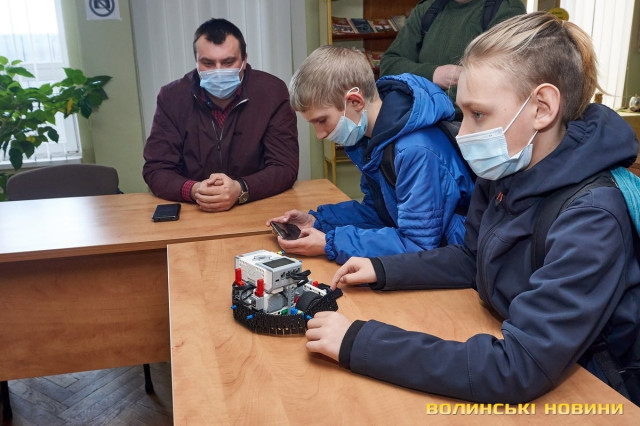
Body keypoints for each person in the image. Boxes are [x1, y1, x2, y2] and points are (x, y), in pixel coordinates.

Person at [305, 12, 640, 404]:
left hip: (599, 392)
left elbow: (517, 367)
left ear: (543, 108)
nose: (463, 134)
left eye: (478, 114)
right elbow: (472, 258)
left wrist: (360, 342)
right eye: (462, 113)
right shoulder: (506, 171)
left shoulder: (592, 217)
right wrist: (382, 268)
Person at [266, 45, 474, 265]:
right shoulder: (373, 140)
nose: (320, 134)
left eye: (322, 120)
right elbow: (380, 213)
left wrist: (330, 243)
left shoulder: (415, 150)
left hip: (453, 260)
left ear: (355, 101)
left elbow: (418, 245)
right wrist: (317, 221)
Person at [143, 18, 298, 212]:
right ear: (196, 62)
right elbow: (156, 169)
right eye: (208, 63)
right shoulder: (172, 97)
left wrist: (241, 188)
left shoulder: (272, 92)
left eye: (228, 62)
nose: (218, 71)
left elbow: (284, 167)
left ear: (244, 60)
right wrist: (194, 190)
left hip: (256, 207)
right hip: (194, 211)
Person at [380, 0, 525, 107]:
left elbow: (500, 82)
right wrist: (434, 74)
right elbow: (389, 66)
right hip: (419, 120)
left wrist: (422, 93)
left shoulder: (506, 9)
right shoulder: (427, 9)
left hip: (471, 126)